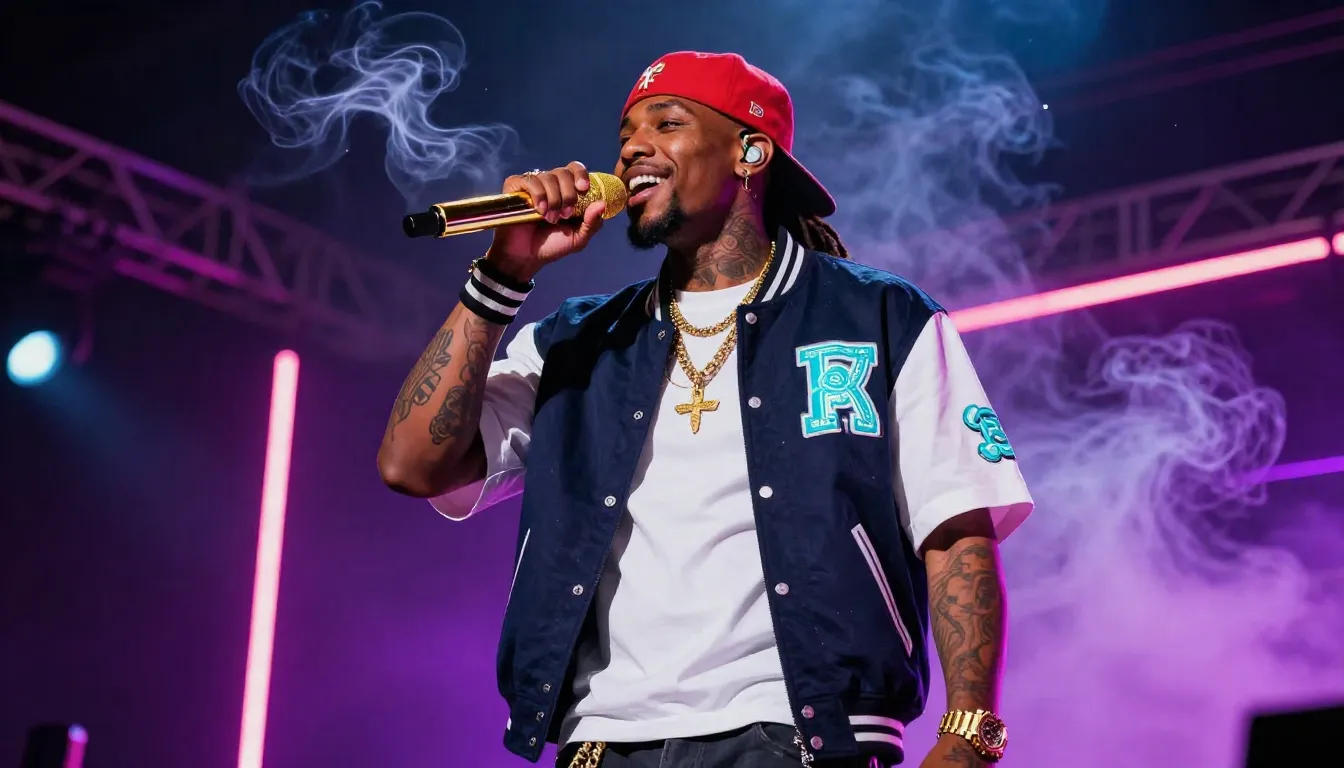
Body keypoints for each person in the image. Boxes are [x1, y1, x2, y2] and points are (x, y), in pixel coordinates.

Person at [377, 51, 1033, 768]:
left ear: (750, 152)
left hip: (802, 737)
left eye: (667, 123)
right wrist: (503, 275)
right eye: (626, 133)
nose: (633, 148)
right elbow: (413, 466)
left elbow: (957, 530)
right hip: (603, 743)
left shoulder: (880, 316)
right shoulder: (576, 341)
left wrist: (968, 735)